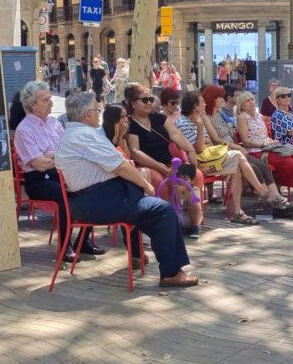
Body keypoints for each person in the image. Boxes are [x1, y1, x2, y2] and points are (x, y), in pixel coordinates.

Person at [56, 92, 198, 287]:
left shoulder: (71, 134)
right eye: (97, 110)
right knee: (163, 211)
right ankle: (171, 273)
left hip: (94, 199)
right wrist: (146, 185)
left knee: (151, 208)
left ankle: (141, 254)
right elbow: (120, 165)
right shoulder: (85, 135)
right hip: (100, 201)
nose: (99, 114)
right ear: (86, 114)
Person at [14, 81, 102, 263]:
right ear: (32, 105)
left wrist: (53, 155)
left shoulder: (54, 123)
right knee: (64, 195)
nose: (52, 102)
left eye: (50, 98)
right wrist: (60, 155)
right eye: (46, 100)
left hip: (61, 172)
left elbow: (72, 150)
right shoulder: (24, 129)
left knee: (93, 187)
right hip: (38, 180)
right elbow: (39, 164)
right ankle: (64, 246)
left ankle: (83, 241)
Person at [200, 85, 293, 217]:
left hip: (235, 149)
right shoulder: (207, 117)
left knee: (262, 166)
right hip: (226, 150)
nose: (222, 99)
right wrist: (238, 147)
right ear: (212, 98)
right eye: (219, 97)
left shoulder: (220, 114)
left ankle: (276, 199)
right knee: (256, 168)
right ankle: (274, 201)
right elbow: (217, 140)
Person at [125, 83, 205, 237]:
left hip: (171, 162)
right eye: (144, 100)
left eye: (150, 99)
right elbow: (135, 152)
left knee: (193, 175)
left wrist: (190, 150)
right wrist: (159, 166)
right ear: (133, 103)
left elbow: (176, 135)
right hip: (150, 165)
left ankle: (193, 221)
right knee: (160, 180)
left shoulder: (159, 118)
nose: (149, 103)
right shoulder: (131, 124)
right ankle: (171, 221)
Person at [177, 91, 263, 225]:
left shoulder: (199, 119)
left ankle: (237, 211)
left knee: (237, 168)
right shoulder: (184, 123)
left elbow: (208, 143)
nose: (205, 104)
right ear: (195, 106)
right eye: (202, 102)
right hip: (200, 164)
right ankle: (261, 191)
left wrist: (203, 138)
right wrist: (200, 128)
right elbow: (198, 149)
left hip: (210, 158)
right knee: (238, 155)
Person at [236, 91, 293, 193]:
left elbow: (265, 137)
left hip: (268, 147)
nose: (251, 102)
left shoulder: (260, 116)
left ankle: (277, 186)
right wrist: (263, 145)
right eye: (247, 101)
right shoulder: (242, 118)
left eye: (252, 99)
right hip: (256, 151)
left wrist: (273, 142)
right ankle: (275, 188)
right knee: (288, 163)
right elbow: (246, 142)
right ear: (242, 106)